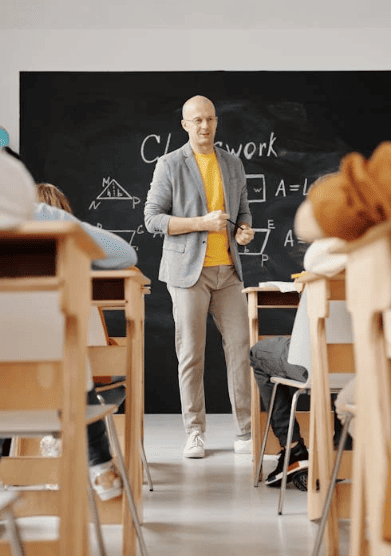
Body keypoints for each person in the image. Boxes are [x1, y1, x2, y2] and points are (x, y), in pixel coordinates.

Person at [0, 154, 138, 501]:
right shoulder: (41, 218)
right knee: (59, 345)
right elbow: (123, 254)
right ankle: (97, 460)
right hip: (53, 382)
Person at [144, 95, 255, 458]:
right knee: (191, 354)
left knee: (240, 349)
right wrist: (199, 224)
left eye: (209, 119)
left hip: (228, 272)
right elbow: (153, 219)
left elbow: (243, 212)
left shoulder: (232, 163)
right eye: (197, 120)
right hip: (187, 273)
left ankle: (246, 431)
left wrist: (243, 231)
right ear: (185, 125)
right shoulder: (169, 164)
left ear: (217, 122)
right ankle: (194, 431)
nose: (204, 126)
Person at [250, 238, 348, 489]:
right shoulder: (385, 255)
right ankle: (342, 449)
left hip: (312, 364)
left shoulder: (324, 252)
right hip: (366, 370)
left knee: (260, 352)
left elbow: (314, 256)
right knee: (346, 369)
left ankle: (293, 448)